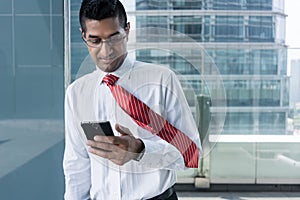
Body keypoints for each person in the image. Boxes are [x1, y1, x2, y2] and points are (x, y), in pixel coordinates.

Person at [63, 0, 202, 199]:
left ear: (127, 30)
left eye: (114, 38)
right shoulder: (76, 93)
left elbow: (190, 153)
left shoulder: (161, 80)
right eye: (95, 40)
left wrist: (140, 150)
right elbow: (76, 164)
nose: (106, 51)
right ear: (84, 36)